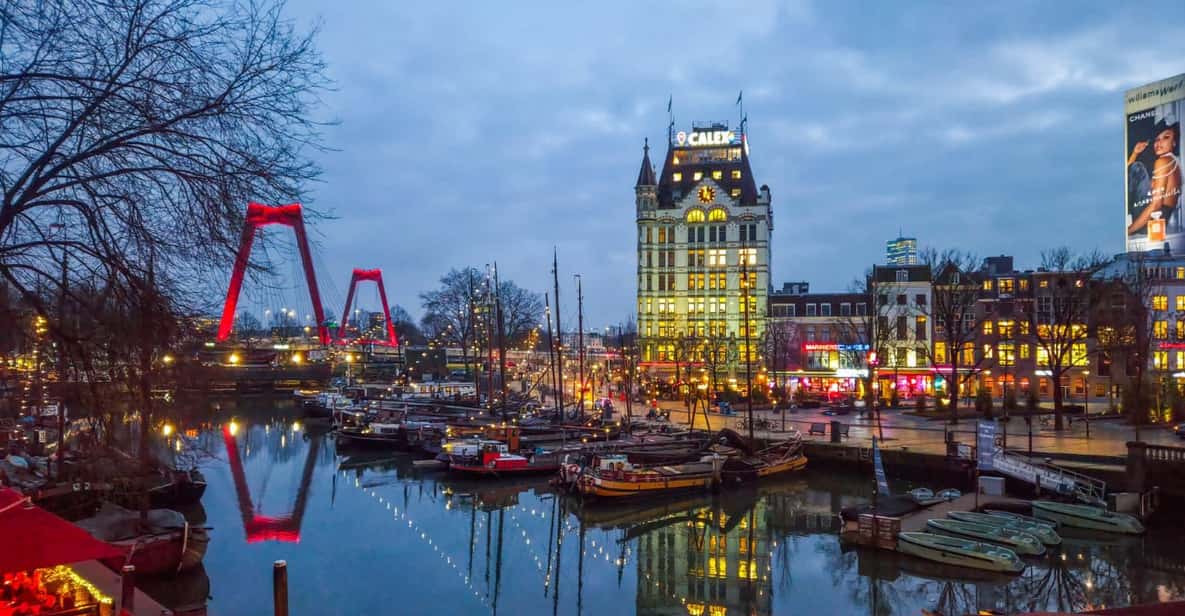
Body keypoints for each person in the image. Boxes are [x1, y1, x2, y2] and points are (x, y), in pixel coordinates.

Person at [1128, 118, 1182, 236]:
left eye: (1166, 137)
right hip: (1161, 219)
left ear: (1174, 142)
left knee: (1137, 167)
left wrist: (1129, 230)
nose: (1159, 143)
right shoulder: (1174, 162)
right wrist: (1136, 153)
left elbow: (1156, 205)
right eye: (1157, 139)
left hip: (1151, 221)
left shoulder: (1163, 161)